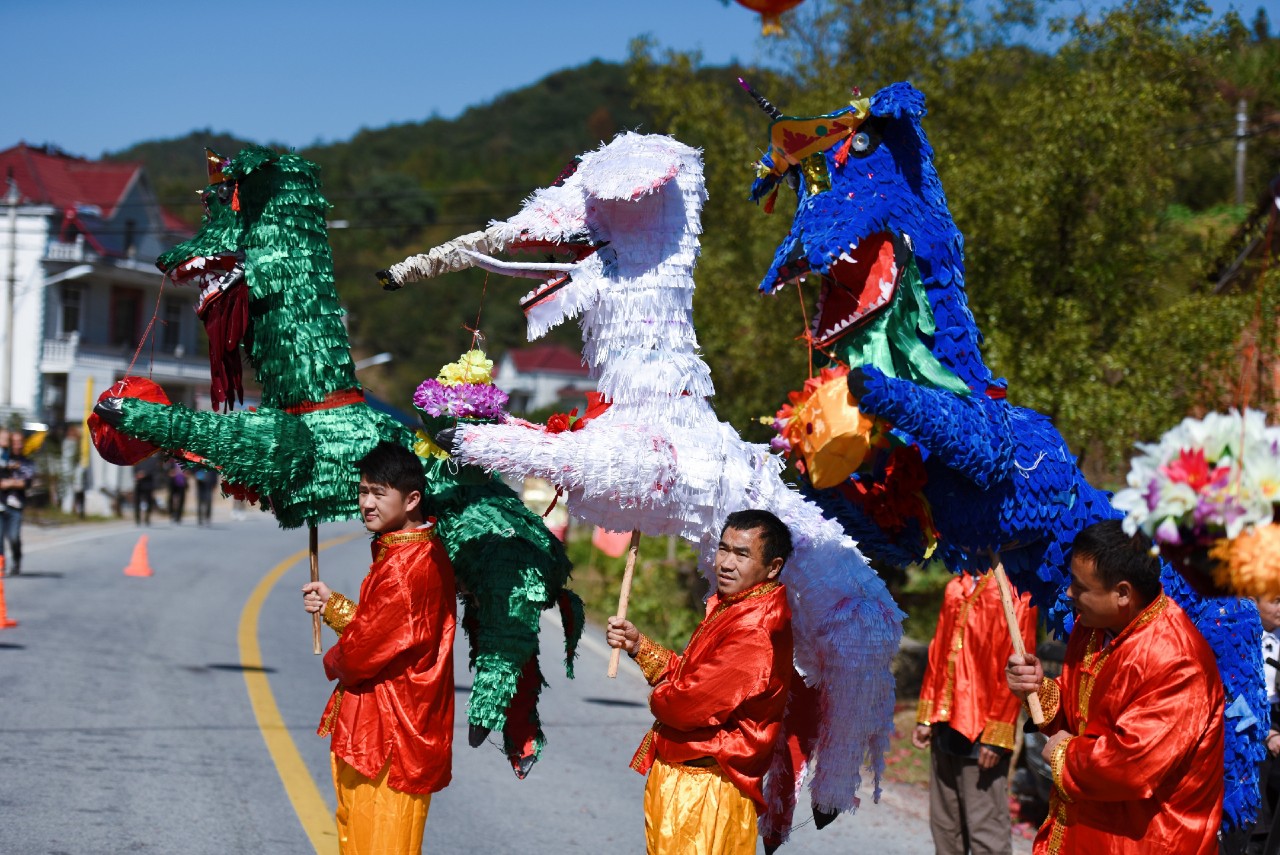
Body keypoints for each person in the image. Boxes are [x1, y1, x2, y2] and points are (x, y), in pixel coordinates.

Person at [1005, 520, 1224, 854]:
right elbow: (1079, 711)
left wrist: (1064, 755)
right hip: (1087, 826)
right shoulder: (1094, 625)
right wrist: (1036, 690)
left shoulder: (1178, 661)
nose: (1069, 593)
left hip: (1144, 839)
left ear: (1122, 593)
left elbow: (1131, 765)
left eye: (1080, 587)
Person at [606, 508, 794, 855]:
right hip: (693, 784)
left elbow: (682, 705)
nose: (725, 563)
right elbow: (693, 680)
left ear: (773, 566)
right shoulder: (737, 606)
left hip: (704, 792)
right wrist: (638, 646)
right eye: (723, 549)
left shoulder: (754, 629)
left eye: (742, 554)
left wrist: (661, 698)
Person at [301, 442, 456, 854]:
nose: (366, 504)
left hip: (389, 739)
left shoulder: (407, 567)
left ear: (411, 499)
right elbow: (387, 633)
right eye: (362, 491)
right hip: (384, 732)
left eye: (378, 493)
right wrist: (334, 606)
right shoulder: (410, 551)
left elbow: (360, 653)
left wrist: (337, 656)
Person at [913, 570, 1037, 855]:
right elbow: (937, 650)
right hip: (944, 721)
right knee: (945, 826)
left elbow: (1019, 665)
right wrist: (926, 714)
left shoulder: (1015, 591)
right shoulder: (956, 585)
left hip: (982, 730)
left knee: (986, 831)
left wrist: (997, 734)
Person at [0, 430, 35, 576]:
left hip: (16, 505)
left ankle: (16, 559)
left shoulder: (27, 462)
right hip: (1, 504)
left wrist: (10, 483)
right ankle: (1, 566)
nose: (17, 445)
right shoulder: (4, 457)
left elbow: (26, 482)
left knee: (13, 537)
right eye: (13, 442)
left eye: (19, 442)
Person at [132, 454, 162, 526]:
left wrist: (145, 474)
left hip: (148, 484)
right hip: (139, 484)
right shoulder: (138, 459)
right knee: (137, 501)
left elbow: (154, 470)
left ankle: (147, 518)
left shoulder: (153, 460)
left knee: (149, 501)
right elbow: (134, 469)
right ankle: (137, 519)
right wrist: (137, 475)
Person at [166, 458, 187, 523]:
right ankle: (171, 513)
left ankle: (179, 516)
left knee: (181, 500)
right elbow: (165, 470)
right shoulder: (171, 461)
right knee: (171, 499)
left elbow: (189, 471)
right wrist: (170, 473)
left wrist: (187, 474)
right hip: (173, 483)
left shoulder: (185, 461)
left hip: (182, 483)